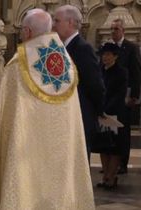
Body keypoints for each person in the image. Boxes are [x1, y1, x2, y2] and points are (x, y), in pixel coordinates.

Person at [0, 9, 95, 210]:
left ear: (28, 32)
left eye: (21, 30)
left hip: (25, 155)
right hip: (61, 154)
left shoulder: (17, 66)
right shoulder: (67, 65)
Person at [53, 5, 105, 161]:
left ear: (70, 23)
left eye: (57, 20)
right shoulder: (62, 48)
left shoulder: (83, 48)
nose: (53, 25)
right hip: (66, 117)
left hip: (81, 116)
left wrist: (97, 112)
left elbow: (95, 85)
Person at [95, 43, 128, 190]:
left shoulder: (121, 72)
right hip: (101, 112)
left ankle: (111, 176)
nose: (105, 57)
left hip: (115, 113)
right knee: (103, 145)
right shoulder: (99, 70)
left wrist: (107, 109)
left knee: (114, 147)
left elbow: (119, 94)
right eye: (104, 54)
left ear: (115, 56)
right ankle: (105, 176)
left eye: (108, 54)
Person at [110, 18, 141, 174]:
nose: (113, 32)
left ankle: (123, 162)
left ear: (123, 31)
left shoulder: (131, 47)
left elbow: (136, 73)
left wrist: (134, 95)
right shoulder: (109, 48)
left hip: (125, 95)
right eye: (112, 29)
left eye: (116, 29)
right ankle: (111, 164)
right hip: (111, 96)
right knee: (111, 130)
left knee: (123, 131)